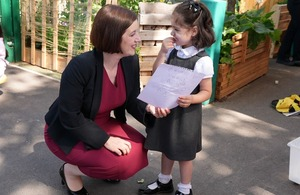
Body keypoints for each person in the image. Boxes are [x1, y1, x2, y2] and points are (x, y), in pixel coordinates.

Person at [44, 4, 155, 195]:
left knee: (139, 150)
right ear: (113, 35)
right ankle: (70, 171)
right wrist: (105, 140)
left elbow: (131, 99)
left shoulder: (130, 61)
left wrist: (151, 113)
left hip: (102, 122)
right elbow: (70, 116)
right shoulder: (80, 66)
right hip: (68, 130)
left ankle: (97, 164)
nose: (138, 39)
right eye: (132, 34)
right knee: (117, 164)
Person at [138, 1, 215, 195]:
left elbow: (206, 92)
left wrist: (192, 98)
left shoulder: (202, 61)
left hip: (186, 115)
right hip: (168, 109)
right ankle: (164, 181)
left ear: (194, 31)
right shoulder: (172, 50)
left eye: (177, 29)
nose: (172, 33)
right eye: (172, 28)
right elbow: (157, 72)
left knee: (183, 153)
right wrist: (163, 52)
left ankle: (185, 188)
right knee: (167, 145)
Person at [276, 0, 300, 66]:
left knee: (292, 30)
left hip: (295, 4)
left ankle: (283, 56)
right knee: (295, 31)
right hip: (296, 4)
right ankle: (295, 57)